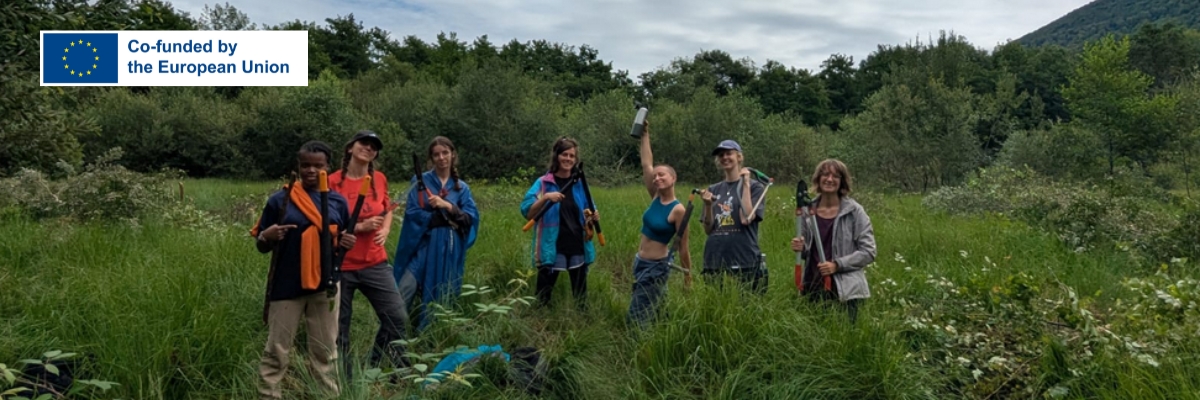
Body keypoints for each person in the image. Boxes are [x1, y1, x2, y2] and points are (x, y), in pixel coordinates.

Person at [250, 140, 356, 400]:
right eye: (305, 165)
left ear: (327, 167)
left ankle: (328, 396)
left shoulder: (337, 202)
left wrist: (345, 241)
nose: (311, 170)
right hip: (286, 286)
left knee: (325, 353)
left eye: (317, 165)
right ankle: (268, 396)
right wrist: (268, 235)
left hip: (326, 286)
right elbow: (261, 245)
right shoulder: (280, 201)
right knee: (277, 351)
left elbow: (337, 242)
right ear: (298, 167)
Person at [327, 130, 409, 377]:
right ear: (350, 148)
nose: (369, 148)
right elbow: (322, 221)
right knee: (340, 329)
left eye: (374, 146)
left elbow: (387, 209)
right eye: (365, 143)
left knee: (397, 317)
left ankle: (379, 364)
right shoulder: (331, 182)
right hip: (341, 265)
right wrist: (357, 228)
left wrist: (384, 228)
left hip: (375, 262)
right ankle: (346, 380)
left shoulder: (379, 179)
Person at [393, 136, 480, 333]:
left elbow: (470, 218)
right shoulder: (420, 181)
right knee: (404, 290)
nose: (441, 158)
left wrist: (447, 206)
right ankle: (393, 336)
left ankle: (430, 336)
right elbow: (413, 213)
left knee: (443, 293)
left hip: (449, 249)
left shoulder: (462, 188)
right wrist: (436, 219)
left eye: (445, 153)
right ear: (431, 158)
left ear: (453, 155)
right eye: (436, 154)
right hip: (423, 246)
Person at [790, 159, 876, 324]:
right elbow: (807, 251)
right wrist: (801, 247)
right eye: (825, 174)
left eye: (836, 176)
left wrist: (837, 265)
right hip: (812, 289)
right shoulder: (808, 209)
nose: (829, 179)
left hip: (846, 293)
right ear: (818, 179)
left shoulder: (855, 211)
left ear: (842, 181)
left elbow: (868, 251)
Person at [520, 137, 599, 309]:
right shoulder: (543, 183)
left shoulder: (579, 183)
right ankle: (540, 319)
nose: (568, 159)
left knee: (580, 293)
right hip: (551, 243)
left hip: (576, 241)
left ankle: (581, 319)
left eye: (572, 156)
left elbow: (589, 208)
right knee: (543, 292)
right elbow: (527, 210)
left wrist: (593, 217)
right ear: (556, 156)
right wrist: (546, 198)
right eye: (565, 154)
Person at [626, 120, 692, 328]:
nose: (656, 178)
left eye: (661, 175)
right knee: (656, 309)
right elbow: (647, 163)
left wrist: (687, 276)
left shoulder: (678, 209)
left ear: (673, 178)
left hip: (656, 267)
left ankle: (639, 350)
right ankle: (662, 331)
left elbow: (683, 246)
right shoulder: (655, 197)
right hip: (641, 262)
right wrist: (645, 134)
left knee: (636, 317)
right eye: (655, 176)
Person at [698, 139, 768, 293]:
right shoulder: (714, 189)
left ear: (739, 157)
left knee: (747, 305)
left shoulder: (756, 187)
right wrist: (709, 205)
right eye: (721, 155)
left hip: (744, 258)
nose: (724, 157)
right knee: (716, 305)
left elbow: (746, 218)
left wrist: (746, 184)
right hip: (715, 258)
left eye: (729, 153)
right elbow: (708, 229)